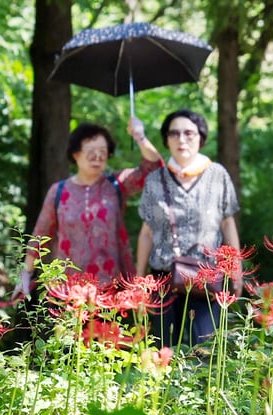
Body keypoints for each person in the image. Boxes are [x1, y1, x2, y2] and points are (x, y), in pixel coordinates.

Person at [15, 119, 162, 300]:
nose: (98, 157)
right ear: (75, 154)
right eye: (91, 152)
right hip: (67, 292)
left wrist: (140, 136)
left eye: (103, 152)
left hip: (111, 292)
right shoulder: (59, 191)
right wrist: (25, 275)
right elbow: (40, 235)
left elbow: (154, 169)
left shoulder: (117, 184)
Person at [136, 109, 242, 348]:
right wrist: (140, 277)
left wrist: (236, 270)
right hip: (163, 277)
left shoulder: (218, 175)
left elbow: (228, 223)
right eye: (174, 133)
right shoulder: (155, 180)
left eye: (188, 133)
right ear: (166, 140)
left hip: (206, 277)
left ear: (201, 137)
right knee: (160, 350)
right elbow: (146, 232)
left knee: (205, 352)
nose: (181, 139)